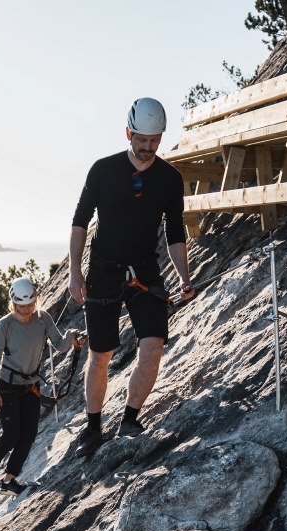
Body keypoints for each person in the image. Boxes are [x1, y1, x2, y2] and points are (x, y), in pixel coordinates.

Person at [67, 97, 194, 458]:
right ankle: (93, 428)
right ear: (128, 133)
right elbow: (79, 221)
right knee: (101, 353)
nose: (148, 147)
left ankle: (130, 419)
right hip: (104, 269)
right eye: (141, 139)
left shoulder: (170, 179)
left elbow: (175, 232)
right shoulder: (103, 170)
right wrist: (75, 272)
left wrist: (184, 276)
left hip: (144, 269)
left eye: (154, 140)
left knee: (153, 345)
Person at [0, 277, 80, 500]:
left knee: (28, 435)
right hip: (7, 385)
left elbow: (60, 346)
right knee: (11, 434)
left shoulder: (43, 319)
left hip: (31, 386)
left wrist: (71, 337)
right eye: (21, 305)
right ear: (13, 303)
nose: (26, 309)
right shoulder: (4, 325)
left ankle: (9, 481)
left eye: (29, 304)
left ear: (35, 300)